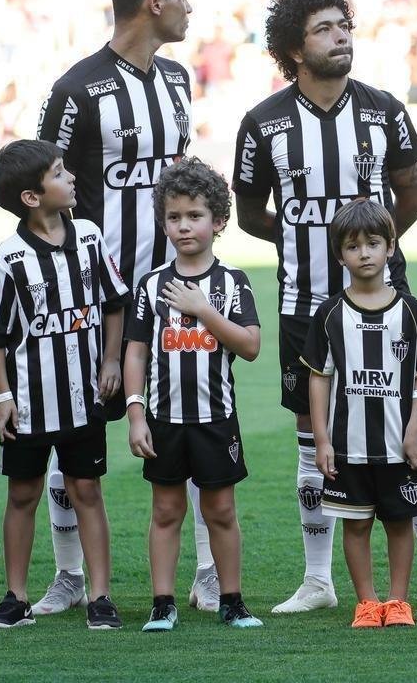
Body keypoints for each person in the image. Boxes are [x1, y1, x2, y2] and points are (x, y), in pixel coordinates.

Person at [233, 0, 417, 614]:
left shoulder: (384, 110)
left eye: (344, 26)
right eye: (325, 29)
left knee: (410, 434)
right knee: (314, 434)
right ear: (293, 48)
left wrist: (369, 258)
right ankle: (319, 580)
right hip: (305, 303)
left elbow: (409, 196)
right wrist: (317, 248)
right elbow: (251, 213)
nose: (341, 37)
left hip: (386, 303)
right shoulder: (264, 123)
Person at [36, 0, 216, 613]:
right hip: (87, 294)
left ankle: (202, 573)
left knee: (190, 425)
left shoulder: (177, 80)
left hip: (172, 290)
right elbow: (40, 184)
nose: (191, 6)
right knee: (71, 432)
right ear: (154, 3)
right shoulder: (77, 89)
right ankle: (68, 574)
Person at [0, 139, 129, 630]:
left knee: (87, 490)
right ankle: (15, 598)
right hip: (30, 403)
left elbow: (113, 304)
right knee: (23, 493)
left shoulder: (88, 236)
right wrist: (3, 397)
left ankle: (100, 596)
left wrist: (110, 361)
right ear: (31, 197)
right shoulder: (10, 258)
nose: (72, 179)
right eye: (60, 174)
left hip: (86, 399)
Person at [125, 157, 264, 630]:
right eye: (174, 217)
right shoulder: (150, 286)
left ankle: (232, 600)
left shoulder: (232, 283)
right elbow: (137, 353)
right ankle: (162, 603)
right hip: (163, 419)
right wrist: (136, 413)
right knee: (166, 509)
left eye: (195, 216)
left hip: (215, 418)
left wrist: (203, 310)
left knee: (220, 510)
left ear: (219, 220)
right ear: (163, 221)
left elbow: (249, 347)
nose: (184, 226)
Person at [305, 199, 417, 628]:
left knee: (400, 524)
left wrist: (415, 429)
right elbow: (319, 378)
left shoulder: (409, 309)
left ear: (390, 247)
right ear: (339, 254)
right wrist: (323, 440)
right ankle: (366, 603)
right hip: (349, 445)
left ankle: (398, 602)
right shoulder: (329, 313)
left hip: (398, 444)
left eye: (373, 243)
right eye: (353, 246)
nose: (364, 253)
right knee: (356, 525)